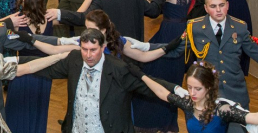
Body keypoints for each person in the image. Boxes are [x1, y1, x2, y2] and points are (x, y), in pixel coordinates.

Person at [24, 28, 179, 133]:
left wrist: (177, 90)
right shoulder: (74, 60)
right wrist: (15, 63)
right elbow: (48, 68)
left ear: (103, 46)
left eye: (93, 50)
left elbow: (147, 84)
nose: (88, 55)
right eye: (84, 49)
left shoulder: (118, 68)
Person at [167, 0, 258, 108]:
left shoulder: (239, 27)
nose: (218, 10)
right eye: (213, 6)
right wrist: (150, 50)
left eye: (221, 5)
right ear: (206, 8)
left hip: (235, 93)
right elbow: (176, 49)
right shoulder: (194, 27)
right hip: (207, 93)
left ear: (227, 5)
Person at [132, 0, 194, 133]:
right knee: (175, 77)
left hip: (168, 33)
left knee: (154, 75)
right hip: (184, 32)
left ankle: (149, 122)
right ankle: (168, 122)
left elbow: (152, 12)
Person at [132, 61, 258, 133]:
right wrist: (141, 75)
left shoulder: (222, 110)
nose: (192, 93)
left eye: (198, 89)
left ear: (208, 87)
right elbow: (161, 92)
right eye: (189, 87)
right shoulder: (188, 104)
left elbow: (255, 117)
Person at [4, 0, 57, 133]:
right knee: (38, 111)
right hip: (44, 73)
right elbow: (77, 16)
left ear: (25, 0)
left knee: (16, 112)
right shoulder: (50, 19)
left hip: (21, 72)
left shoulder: (18, 21)